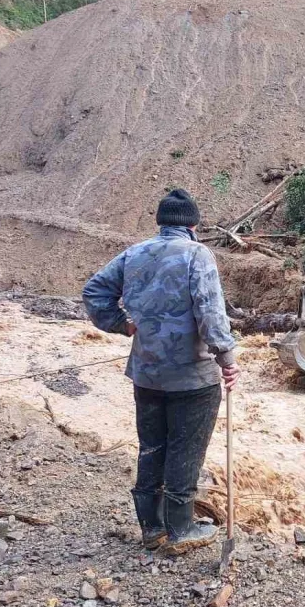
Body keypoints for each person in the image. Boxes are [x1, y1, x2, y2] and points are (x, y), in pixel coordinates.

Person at [82, 189, 241, 556]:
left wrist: (122, 324)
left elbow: (93, 293)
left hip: (146, 373)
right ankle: (180, 528)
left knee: (152, 446)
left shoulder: (133, 254)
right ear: (193, 224)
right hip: (192, 377)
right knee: (185, 449)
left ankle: (151, 527)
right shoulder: (198, 255)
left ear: (160, 222)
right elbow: (210, 313)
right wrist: (227, 359)